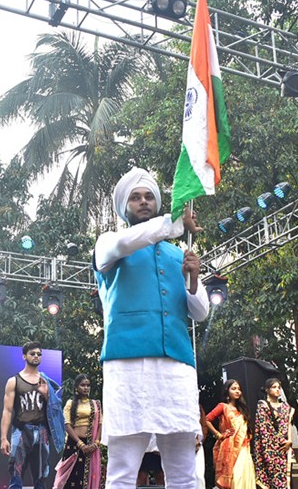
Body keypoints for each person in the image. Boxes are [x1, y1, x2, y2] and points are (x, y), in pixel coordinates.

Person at [93, 167, 209, 489]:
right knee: (122, 471)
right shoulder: (109, 244)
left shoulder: (178, 253)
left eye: (149, 197)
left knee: (184, 470)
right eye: (135, 197)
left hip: (176, 366)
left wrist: (193, 278)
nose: (143, 202)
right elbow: (129, 241)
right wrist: (174, 223)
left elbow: (199, 313)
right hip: (128, 366)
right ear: (123, 206)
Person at [0, 341, 65, 489]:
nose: (36, 356)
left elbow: (56, 411)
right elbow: (7, 410)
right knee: (15, 473)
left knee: (41, 476)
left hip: (42, 431)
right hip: (21, 430)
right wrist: (4, 438)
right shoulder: (14, 381)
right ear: (24, 356)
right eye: (32, 354)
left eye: (39, 354)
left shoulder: (46, 381)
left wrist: (47, 395)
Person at [53, 374, 102, 489]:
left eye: (88, 385)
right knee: (70, 479)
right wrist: (80, 444)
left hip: (91, 446)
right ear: (76, 387)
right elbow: (67, 424)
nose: (86, 388)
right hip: (74, 445)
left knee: (89, 477)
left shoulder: (96, 405)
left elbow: (100, 424)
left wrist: (96, 443)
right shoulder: (70, 403)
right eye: (83, 385)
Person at [205, 380, 255, 489]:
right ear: (227, 391)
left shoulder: (242, 410)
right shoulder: (223, 406)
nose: (237, 391)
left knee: (244, 475)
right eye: (233, 389)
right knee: (235, 476)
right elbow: (207, 420)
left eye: (238, 389)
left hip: (244, 447)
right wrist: (218, 434)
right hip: (229, 447)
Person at [252, 378, 294, 489]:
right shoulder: (263, 406)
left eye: (279, 388)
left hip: (285, 449)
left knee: (287, 481)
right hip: (269, 449)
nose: (277, 390)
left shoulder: (286, 408)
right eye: (274, 387)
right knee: (272, 481)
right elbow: (264, 429)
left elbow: (288, 424)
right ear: (267, 390)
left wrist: (289, 440)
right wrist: (278, 442)